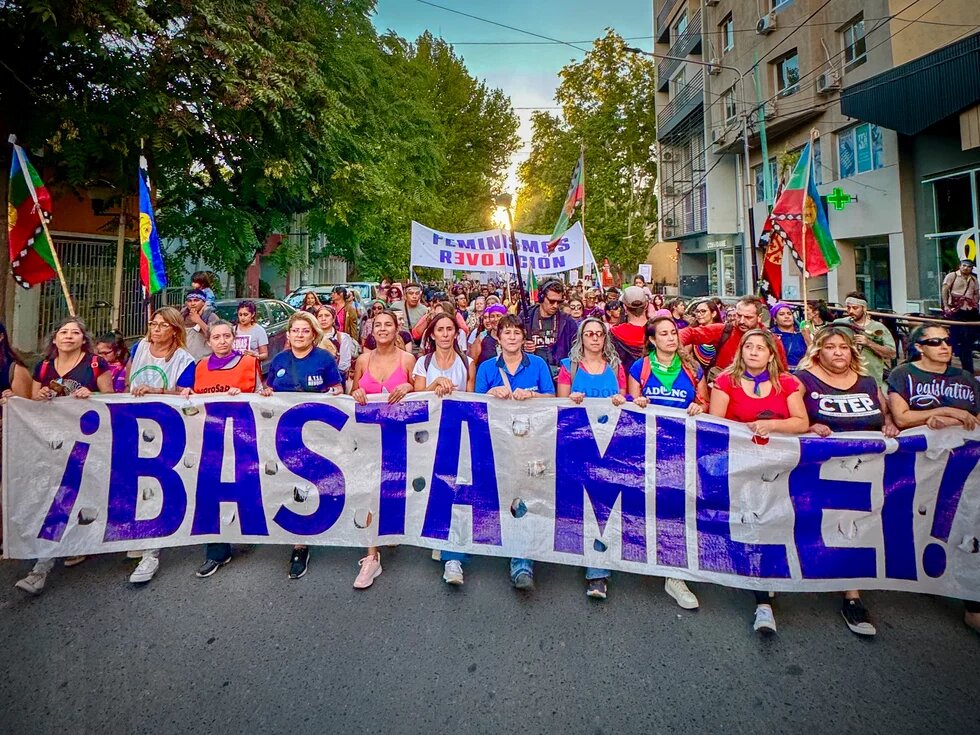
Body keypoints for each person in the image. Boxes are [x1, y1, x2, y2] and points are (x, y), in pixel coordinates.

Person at [795, 326, 900, 636]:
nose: (838, 351)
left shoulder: (868, 383)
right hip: (821, 471)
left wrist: (891, 424)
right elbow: (795, 417)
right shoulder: (804, 381)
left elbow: (885, 414)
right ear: (818, 351)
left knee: (858, 528)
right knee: (826, 527)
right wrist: (810, 427)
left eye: (844, 346)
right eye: (830, 347)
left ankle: (851, 596)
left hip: (866, 470)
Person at [708, 329, 808, 634]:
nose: (753, 352)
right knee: (750, 525)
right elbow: (716, 424)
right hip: (740, 465)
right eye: (748, 346)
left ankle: (765, 593)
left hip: (779, 466)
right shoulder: (726, 380)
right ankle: (759, 593)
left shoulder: (788, 382)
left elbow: (802, 422)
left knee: (772, 524)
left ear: (771, 354)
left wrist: (770, 425)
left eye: (760, 348)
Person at [886, 324, 980, 634]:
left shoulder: (965, 378)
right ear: (918, 347)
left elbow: (975, 419)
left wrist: (950, 418)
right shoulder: (903, 374)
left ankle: (972, 605)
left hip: (962, 467)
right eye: (935, 341)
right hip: (917, 468)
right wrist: (938, 413)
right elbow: (902, 417)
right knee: (917, 523)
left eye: (948, 341)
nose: (945, 346)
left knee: (963, 526)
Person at [15, 318, 113, 594]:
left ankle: (81, 542)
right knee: (57, 497)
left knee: (82, 495)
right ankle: (41, 567)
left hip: (89, 442)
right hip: (54, 444)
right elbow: (33, 405)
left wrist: (91, 394)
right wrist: (42, 394)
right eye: (63, 332)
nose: (69, 336)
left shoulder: (95, 364)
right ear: (54, 339)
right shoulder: (43, 366)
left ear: (84, 339)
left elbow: (112, 398)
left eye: (75, 332)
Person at [180, 321, 268, 578]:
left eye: (226, 336)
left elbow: (263, 395)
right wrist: (184, 392)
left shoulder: (249, 363)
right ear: (209, 342)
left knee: (245, 486)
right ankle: (216, 550)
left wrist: (245, 395)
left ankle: (247, 531)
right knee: (210, 492)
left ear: (234, 338)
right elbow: (182, 393)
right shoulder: (198, 366)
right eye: (216, 337)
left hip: (243, 437)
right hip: (209, 441)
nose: (221, 341)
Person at [476, 315, 556, 590]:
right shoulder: (487, 368)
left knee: (527, 495)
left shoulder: (538, 365)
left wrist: (532, 396)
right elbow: (474, 404)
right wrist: (491, 394)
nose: (511, 337)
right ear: (497, 337)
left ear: (524, 338)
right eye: (506, 333)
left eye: (516, 333)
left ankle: (522, 561)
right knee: (505, 495)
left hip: (532, 444)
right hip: (500, 445)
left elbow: (553, 399)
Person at [265, 311, 344, 580]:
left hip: (316, 436)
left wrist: (334, 394)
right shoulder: (279, 360)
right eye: (295, 331)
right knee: (289, 484)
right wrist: (265, 393)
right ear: (288, 334)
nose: (299, 335)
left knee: (312, 483)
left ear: (314, 335)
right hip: (285, 435)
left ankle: (308, 536)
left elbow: (337, 389)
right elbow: (268, 390)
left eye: (305, 331)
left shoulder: (324, 359)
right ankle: (299, 539)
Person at [123, 307, 197, 584]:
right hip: (133, 425)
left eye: (163, 325)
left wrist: (157, 392)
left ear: (175, 331)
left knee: (158, 486)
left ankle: (152, 552)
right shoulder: (139, 347)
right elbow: (127, 382)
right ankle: (138, 534)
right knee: (135, 484)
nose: (156, 329)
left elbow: (186, 394)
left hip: (167, 429)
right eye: (153, 324)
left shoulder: (183, 360)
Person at [555, 317, 627, 599]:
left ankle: (598, 571)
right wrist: (571, 398)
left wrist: (624, 400)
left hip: (611, 446)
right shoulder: (567, 367)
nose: (595, 338)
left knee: (605, 507)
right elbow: (560, 405)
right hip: (579, 445)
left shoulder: (616, 367)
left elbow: (628, 399)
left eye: (599, 334)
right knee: (580, 506)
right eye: (589, 334)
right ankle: (583, 555)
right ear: (581, 338)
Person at [350, 309, 417, 589]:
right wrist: (355, 392)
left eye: (388, 324)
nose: (383, 329)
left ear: (396, 328)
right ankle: (371, 557)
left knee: (393, 490)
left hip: (399, 436)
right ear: (371, 330)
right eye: (378, 325)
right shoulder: (363, 360)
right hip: (367, 437)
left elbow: (420, 391)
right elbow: (352, 392)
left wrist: (409, 386)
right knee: (368, 490)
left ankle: (389, 529)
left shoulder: (408, 359)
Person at [412, 312, 478, 586]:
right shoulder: (422, 363)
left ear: (456, 333)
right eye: (440, 329)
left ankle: (454, 557)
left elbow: (474, 401)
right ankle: (440, 536)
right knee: (436, 489)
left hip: (458, 434)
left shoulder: (468, 363)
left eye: (450, 329)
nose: (445, 334)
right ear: (433, 334)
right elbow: (416, 400)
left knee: (457, 490)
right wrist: (434, 385)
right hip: (429, 437)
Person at [680, 296, 787, 382]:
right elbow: (690, 333)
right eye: (738, 315)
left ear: (759, 317)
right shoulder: (725, 330)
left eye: (748, 317)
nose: (741, 321)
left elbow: (782, 373)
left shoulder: (772, 340)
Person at [836, 291, 896, 389]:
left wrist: (869, 343)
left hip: (870, 377)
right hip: (845, 376)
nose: (851, 311)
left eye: (855, 308)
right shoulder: (840, 324)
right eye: (848, 307)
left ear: (864, 308)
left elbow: (892, 353)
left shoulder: (878, 327)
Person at [523, 279, 576, 377]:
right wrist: (522, 345)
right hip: (531, 372)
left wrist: (567, 368)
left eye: (559, 302)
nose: (555, 306)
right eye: (551, 301)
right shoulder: (526, 317)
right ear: (541, 297)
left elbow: (576, 348)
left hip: (559, 374)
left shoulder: (568, 321)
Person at [941, 258, 979, 374]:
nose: (966, 268)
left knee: (968, 340)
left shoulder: (973, 279)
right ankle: (947, 367)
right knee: (953, 338)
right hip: (956, 310)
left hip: (969, 310)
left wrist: (975, 303)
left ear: (972, 268)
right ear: (960, 266)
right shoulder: (952, 276)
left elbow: (977, 292)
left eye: (969, 266)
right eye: (964, 265)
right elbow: (945, 290)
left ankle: (968, 370)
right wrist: (946, 306)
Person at [610, 286, 651, 376]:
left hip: (624, 384)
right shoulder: (657, 331)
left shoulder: (614, 332)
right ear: (646, 305)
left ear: (624, 307)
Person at [316, 305, 355, 375]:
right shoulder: (313, 338)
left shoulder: (343, 338)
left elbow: (344, 364)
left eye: (327, 315)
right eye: (320, 316)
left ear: (333, 319)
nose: (323, 319)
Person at [181, 288, 220, 360]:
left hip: (205, 361)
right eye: (190, 301)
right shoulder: (182, 316)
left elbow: (216, 337)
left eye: (196, 300)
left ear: (203, 302)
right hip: (185, 361)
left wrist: (199, 321)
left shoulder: (211, 317)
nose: (192, 303)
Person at [389, 283, 427, 353]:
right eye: (411, 293)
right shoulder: (396, 306)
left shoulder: (424, 310)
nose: (414, 296)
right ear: (405, 295)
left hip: (416, 350)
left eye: (417, 293)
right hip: (397, 348)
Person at [770, 302, 807, 369]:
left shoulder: (803, 334)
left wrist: (808, 338)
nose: (787, 316)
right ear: (775, 319)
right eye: (782, 314)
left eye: (789, 314)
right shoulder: (770, 335)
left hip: (801, 374)